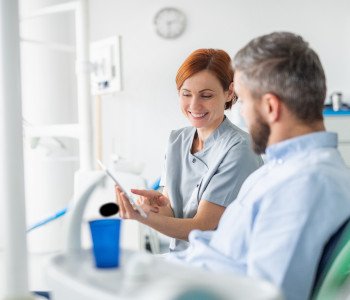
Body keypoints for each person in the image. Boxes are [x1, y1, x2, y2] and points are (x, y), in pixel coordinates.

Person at [166, 32, 350, 300]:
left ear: (270, 107)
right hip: (188, 274)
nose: (241, 113)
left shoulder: (305, 184)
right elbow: (219, 250)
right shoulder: (279, 169)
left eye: (243, 101)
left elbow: (268, 294)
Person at [116, 48, 263, 252]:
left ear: (229, 92)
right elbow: (172, 212)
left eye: (206, 95)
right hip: (183, 260)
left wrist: (144, 217)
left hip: (220, 267)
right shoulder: (177, 140)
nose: (194, 105)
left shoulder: (240, 148)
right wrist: (156, 207)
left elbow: (201, 227)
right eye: (186, 94)